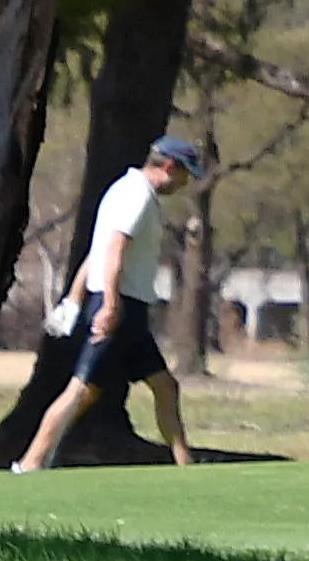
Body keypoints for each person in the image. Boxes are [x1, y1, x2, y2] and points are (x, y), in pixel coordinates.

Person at [18, 135, 206, 473]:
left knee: (165, 386)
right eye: (184, 175)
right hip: (118, 304)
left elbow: (97, 252)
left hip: (128, 308)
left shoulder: (130, 191)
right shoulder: (135, 195)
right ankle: (30, 463)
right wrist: (109, 305)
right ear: (169, 167)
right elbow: (114, 249)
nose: (183, 184)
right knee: (79, 391)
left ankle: (185, 466)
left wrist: (75, 299)